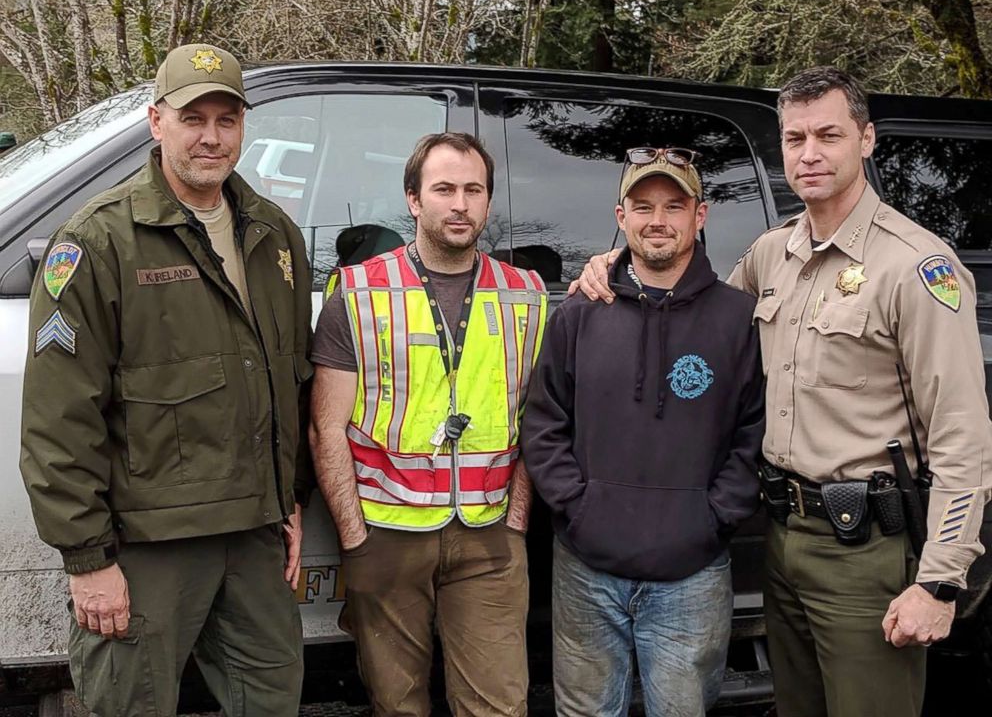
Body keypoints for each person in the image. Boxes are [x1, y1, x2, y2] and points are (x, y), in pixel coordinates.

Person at [572, 67, 992, 717]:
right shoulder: (774, 254)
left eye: (829, 134)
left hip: (866, 552)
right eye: (795, 138)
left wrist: (939, 582)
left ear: (868, 139)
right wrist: (614, 264)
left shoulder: (916, 268)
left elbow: (964, 440)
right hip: (784, 537)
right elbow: (688, 304)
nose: (809, 153)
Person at [19, 43, 313, 716]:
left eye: (227, 119)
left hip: (254, 537)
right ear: (156, 122)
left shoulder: (274, 237)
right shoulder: (97, 242)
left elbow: (288, 380)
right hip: (147, 547)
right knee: (130, 704)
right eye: (193, 118)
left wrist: (288, 495)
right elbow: (59, 420)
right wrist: (87, 560)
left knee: (272, 700)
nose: (211, 137)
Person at [309, 132, 547, 716]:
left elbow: (534, 422)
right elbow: (326, 428)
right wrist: (355, 542)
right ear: (414, 200)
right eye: (444, 189)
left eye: (474, 190)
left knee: (498, 707)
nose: (460, 204)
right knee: (399, 707)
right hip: (386, 535)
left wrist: (515, 525)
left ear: (489, 201)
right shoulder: (360, 293)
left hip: (489, 537)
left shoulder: (526, 296)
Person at [522, 149, 763, 716]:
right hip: (587, 569)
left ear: (699, 217)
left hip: (692, 575)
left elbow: (755, 431)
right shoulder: (581, 311)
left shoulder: (737, 318)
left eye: (674, 206)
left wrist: (712, 518)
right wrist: (577, 509)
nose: (658, 219)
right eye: (643, 206)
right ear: (621, 215)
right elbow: (543, 421)